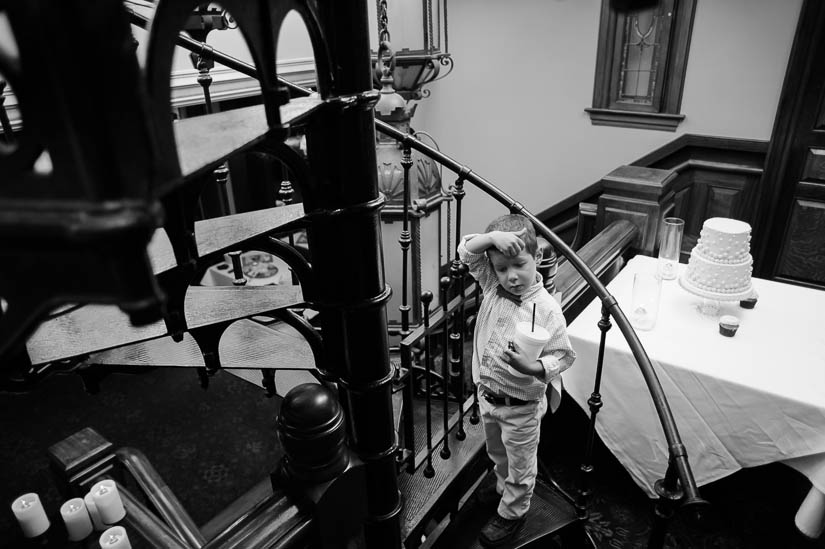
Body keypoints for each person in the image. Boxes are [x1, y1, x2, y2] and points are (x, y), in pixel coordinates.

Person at [458, 213, 576, 547]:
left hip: (521, 408)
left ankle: (513, 510)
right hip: (488, 398)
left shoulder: (549, 309)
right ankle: (500, 484)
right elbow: (466, 252)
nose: (511, 277)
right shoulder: (491, 287)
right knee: (497, 452)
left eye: (519, 265)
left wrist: (532, 367)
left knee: (521, 465)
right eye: (501, 268)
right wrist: (491, 240)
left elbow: (564, 355)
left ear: (537, 256)